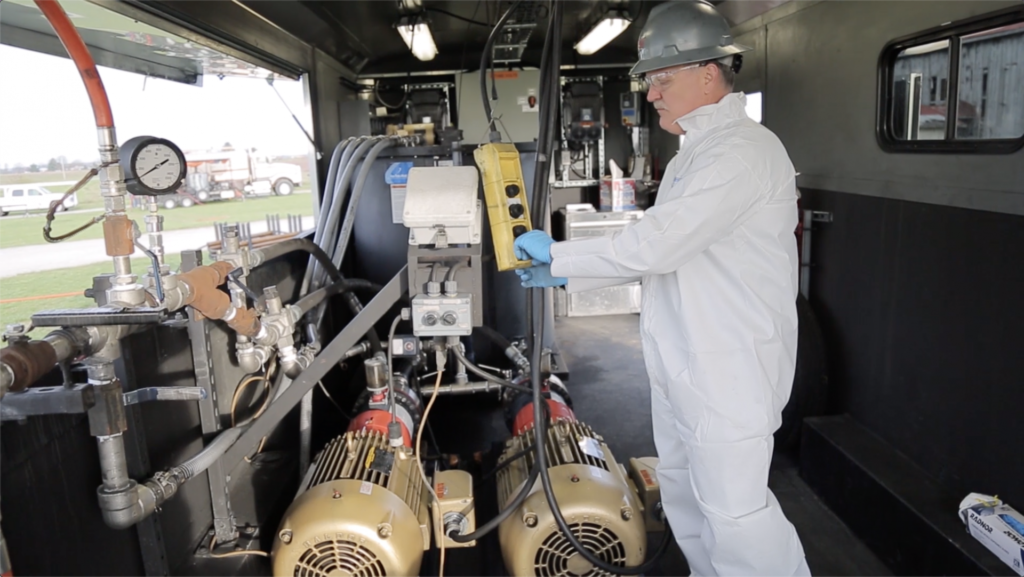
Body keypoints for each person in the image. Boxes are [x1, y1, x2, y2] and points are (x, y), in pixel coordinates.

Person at [512, 1, 812, 575]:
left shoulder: (741, 151)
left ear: (709, 73)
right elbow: (661, 251)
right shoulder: (690, 156)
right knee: (684, 495)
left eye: (661, 79)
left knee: (736, 516)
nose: (650, 94)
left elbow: (658, 244)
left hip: (728, 368)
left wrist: (562, 255)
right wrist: (568, 270)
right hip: (683, 363)